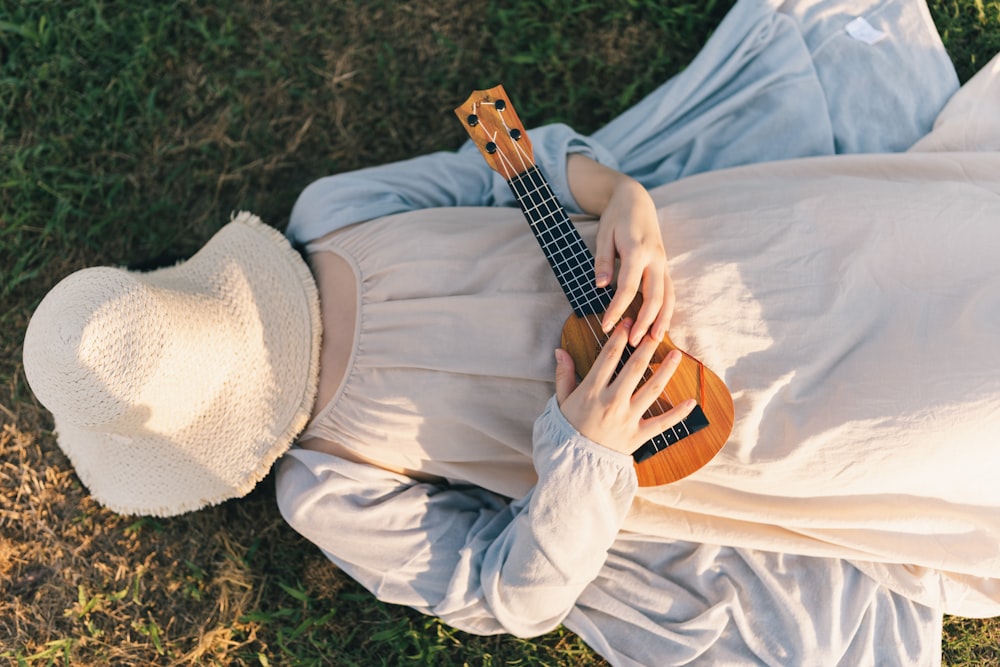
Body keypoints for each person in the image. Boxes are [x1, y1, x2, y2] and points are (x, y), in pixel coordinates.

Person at [21, 0, 1000, 664]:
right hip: (715, 429)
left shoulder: (331, 217)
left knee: (942, 251)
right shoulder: (323, 483)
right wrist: (586, 451)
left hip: (733, 249)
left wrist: (619, 198)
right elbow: (510, 596)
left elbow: (503, 164)